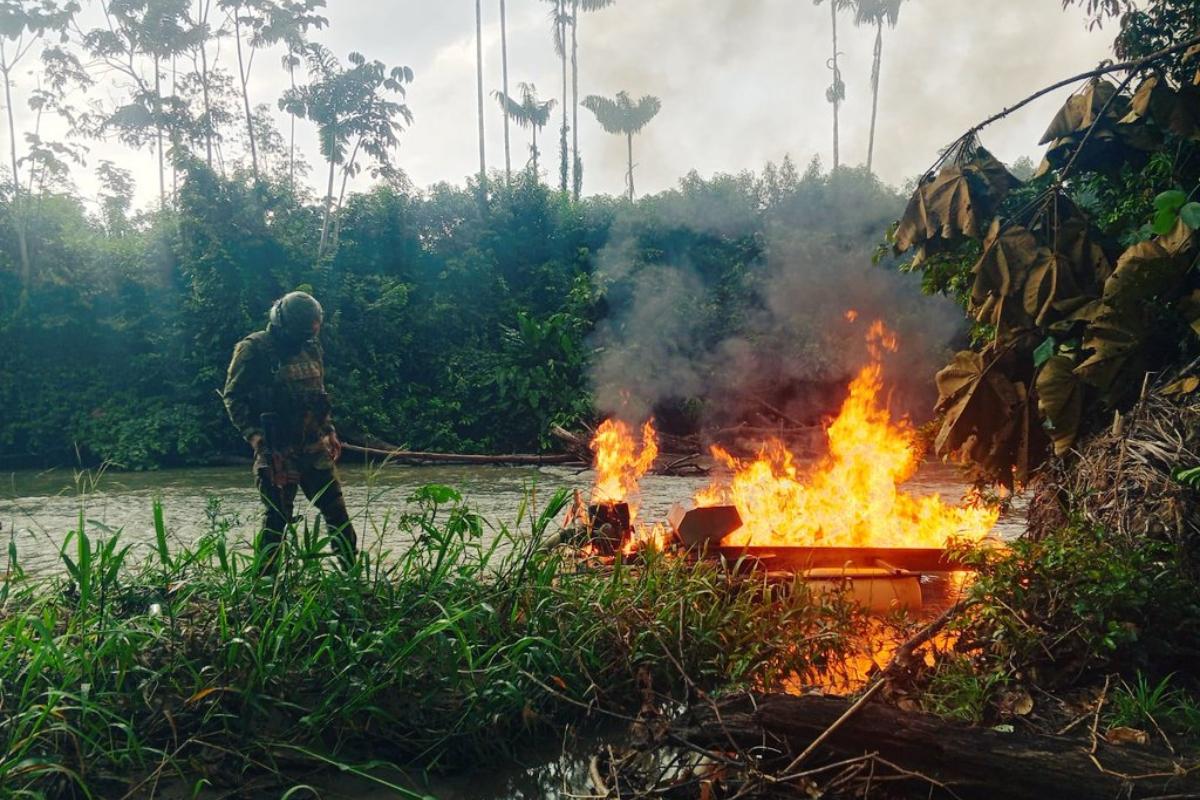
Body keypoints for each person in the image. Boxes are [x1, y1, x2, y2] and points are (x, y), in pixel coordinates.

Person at [222, 290, 356, 571]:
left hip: (313, 448)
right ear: (285, 324)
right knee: (276, 522)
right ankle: (265, 587)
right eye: (304, 330)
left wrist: (329, 429)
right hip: (277, 452)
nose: (309, 335)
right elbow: (233, 396)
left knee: (338, 515)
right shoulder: (254, 349)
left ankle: (353, 579)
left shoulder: (311, 346)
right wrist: (254, 436)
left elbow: (318, 392)